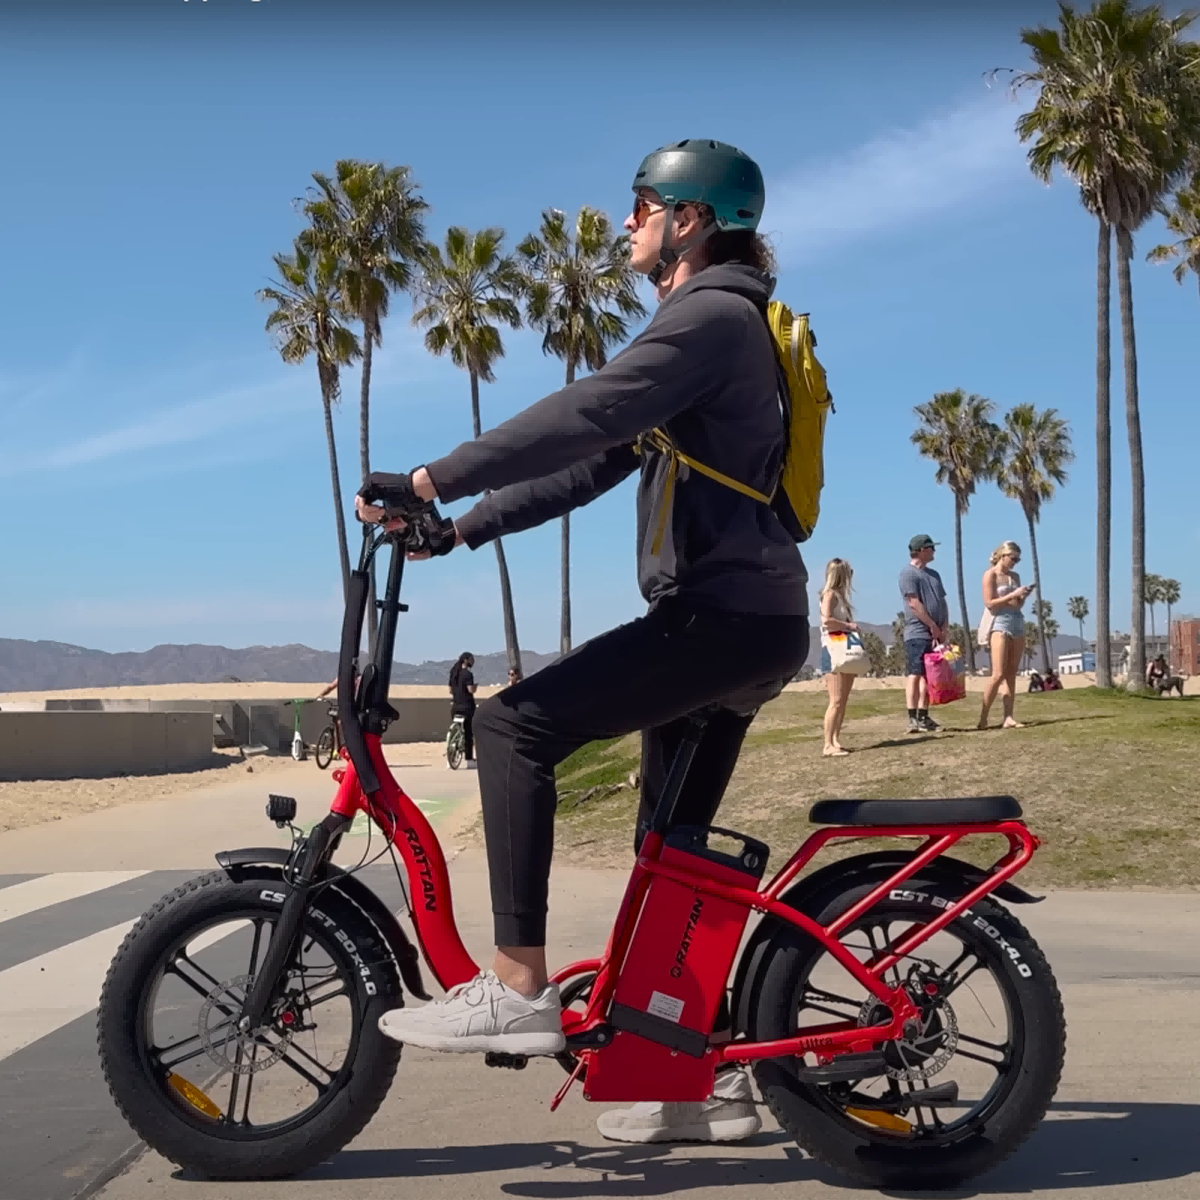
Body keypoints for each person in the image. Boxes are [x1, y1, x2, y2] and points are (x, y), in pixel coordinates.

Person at [355, 138, 807, 1145]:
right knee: (670, 859)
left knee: (515, 726)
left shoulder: (712, 318)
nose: (628, 222)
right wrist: (458, 527)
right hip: (743, 622)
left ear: (691, 219)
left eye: (643, 204)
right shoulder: (714, 324)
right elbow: (596, 461)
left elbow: (585, 412)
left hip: (721, 621)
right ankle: (703, 1082)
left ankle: (516, 984)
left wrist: (433, 477)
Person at [977, 541, 1034, 729]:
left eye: (1018, 559)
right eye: (1013, 558)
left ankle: (1008, 717)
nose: (1015, 563)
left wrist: (1022, 596)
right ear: (1003, 555)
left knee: (1011, 673)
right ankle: (983, 717)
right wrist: (1012, 595)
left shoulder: (1014, 576)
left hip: (1016, 620)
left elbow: (1017, 605)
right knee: (998, 673)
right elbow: (990, 603)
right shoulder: (990, 575)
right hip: (998, 623)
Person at [898, 534, 948, 733]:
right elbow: (914, 603)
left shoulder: (934, 575)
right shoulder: (908, 574)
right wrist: (930, 625)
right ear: (921, 550)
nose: (934, 552)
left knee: (930, 676)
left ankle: (923, 715)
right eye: (931, 548)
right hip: (917, 632)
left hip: (936, 632)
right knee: (915, 673)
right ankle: (912, 717)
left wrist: (943, 626)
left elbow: (942, 601)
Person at [819, 558, 859, 756]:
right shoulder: (829, 595)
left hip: (845, 649)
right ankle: (827, 744)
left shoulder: (841, 597)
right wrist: (849, 626)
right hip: (832, 650)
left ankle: (835, 739)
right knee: (835, 700)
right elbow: (827, 620)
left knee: (842, 700)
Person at [448, 652, 477, 767]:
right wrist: (474, 687)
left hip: (455, 706)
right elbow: (471, 690)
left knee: (456, 732)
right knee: (468, 733)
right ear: (466, 660)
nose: (473, 661)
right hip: (467, 707)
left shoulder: (454, 673)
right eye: (471, 659)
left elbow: (450, 690)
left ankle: (450, 758)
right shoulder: (468, 674)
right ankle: (469, 759)